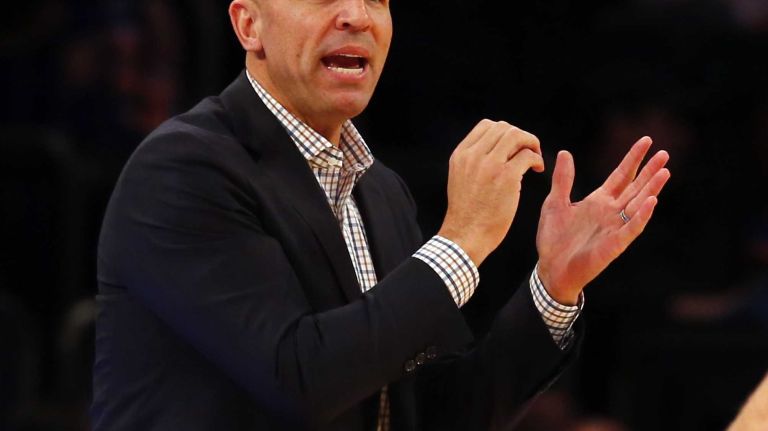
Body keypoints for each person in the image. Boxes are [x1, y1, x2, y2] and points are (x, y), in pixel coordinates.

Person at [89, 0, 671, 430]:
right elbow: (298, 380)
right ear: (249, 25)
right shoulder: (183, 170)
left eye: (376, 0)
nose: (356, 16)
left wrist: (554, 287)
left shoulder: (382, 192)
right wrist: (463, 241)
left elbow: (434, 412)